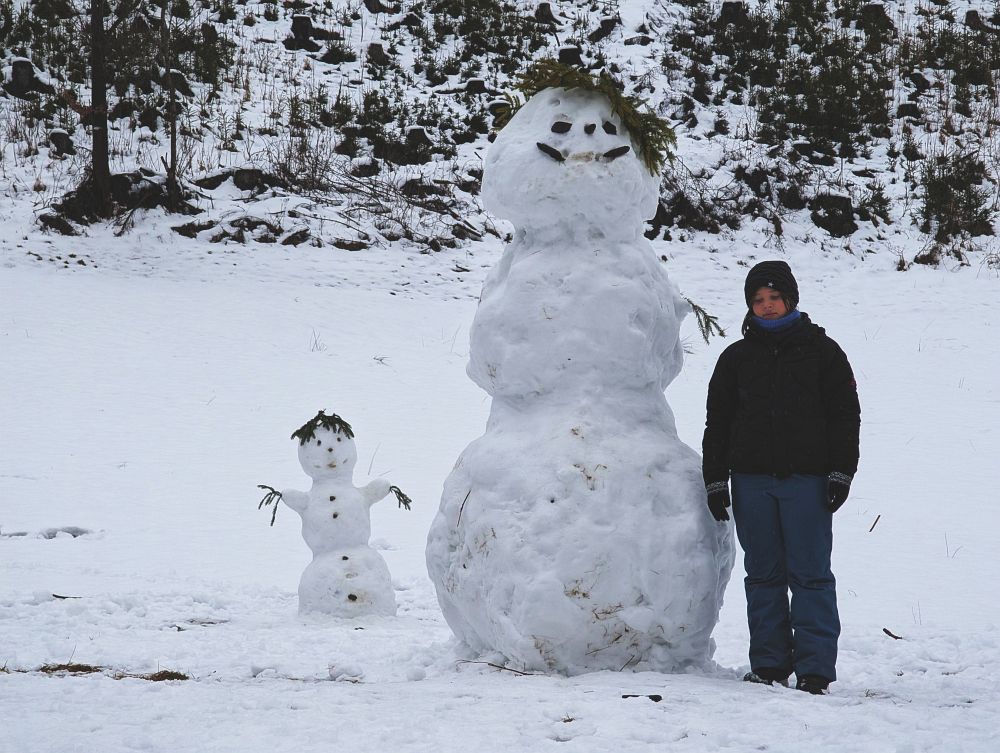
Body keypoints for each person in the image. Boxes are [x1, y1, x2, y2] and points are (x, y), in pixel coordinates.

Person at [702, 260, 860, 695]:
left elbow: (845, 417)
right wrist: (715, 478)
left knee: (810, 574)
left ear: (791, 299)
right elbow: (718, 422)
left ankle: (815, 670)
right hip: (751, 482)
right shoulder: (735, 358)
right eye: (758, 299)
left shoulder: (823, 352)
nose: (767, 306)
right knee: (763, 575)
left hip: (807, 481)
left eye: (774, 297)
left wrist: (841, 472)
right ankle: (769, 664)